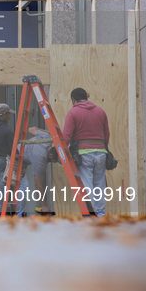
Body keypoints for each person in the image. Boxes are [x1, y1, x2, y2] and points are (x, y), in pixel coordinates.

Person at [63, 88, 110, 217]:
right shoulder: (101, 111)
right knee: (100, 184)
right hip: (101, 152)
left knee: (87, 184)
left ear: (73, 100)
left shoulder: (73, 112)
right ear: (86, 97)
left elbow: (66, 136)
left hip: (84, 154)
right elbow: (106, 135)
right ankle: (100, 213)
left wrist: (59, 153)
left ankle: (91, 214)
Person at [19, 127, 59, 215]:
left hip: (19, 159)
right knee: (23, 188)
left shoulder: (47, 137)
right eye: (55, 161)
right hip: (15, 160)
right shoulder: (41, 160)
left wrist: (48, 132)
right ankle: (18, 216)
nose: (55, 163)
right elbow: (38, 185)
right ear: (51, 155)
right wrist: (44, 206)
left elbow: (30, 129)